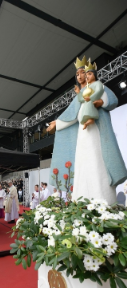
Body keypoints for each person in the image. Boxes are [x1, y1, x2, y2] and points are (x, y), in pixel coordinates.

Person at [47, 56, 127, 204]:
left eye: (82, 72)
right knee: (83, 163)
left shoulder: (98, 87)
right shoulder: (80, 95)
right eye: (77, 74)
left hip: (97, 132)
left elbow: (113, 100)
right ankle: (82, 199)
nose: (80, 76)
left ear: (89, 73)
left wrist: (101, 102)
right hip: (83, 135)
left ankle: (104, 200)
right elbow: (72, 115)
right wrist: (56, 123)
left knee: (98, 161)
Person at [75, 60, 104, 130]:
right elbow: (82, 99)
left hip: (93, 106)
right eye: (86, 75)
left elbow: (99, 91)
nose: (87, 77)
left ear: (95, 75)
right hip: (86, 105)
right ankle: (87, 121)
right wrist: (79, 92)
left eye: (89, 74)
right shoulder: (87, 87)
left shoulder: (98, 83)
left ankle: (90, 119)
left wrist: (91, 98)